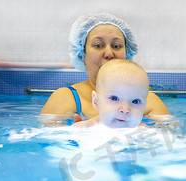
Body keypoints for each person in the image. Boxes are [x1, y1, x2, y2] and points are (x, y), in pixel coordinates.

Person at [39, 13, 170, 121]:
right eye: (98, 45)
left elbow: (170, 139)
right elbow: (47, 140)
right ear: (82, 54)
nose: (109, 53)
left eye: (117, 46)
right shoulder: (65, 97)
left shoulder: (148, 100)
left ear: (127, 53)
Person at [72, 59, 148, 128]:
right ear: (96, 102)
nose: (125, 109)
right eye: (114, 98)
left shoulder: (145, 133)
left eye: (135, 101)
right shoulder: (85, 129)